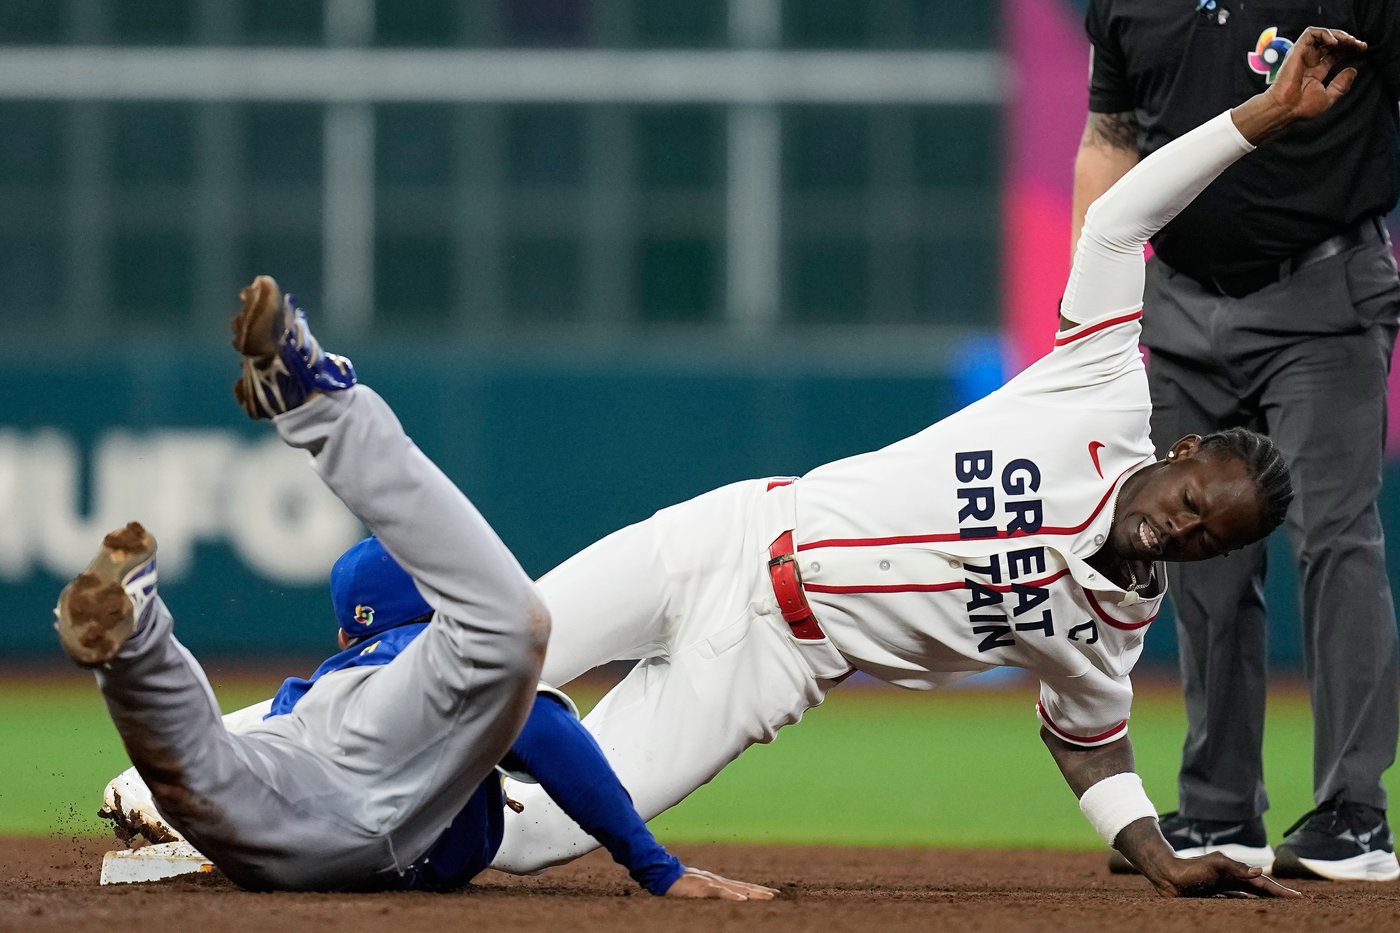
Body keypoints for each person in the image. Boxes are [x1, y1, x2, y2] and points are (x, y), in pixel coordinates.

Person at [482, 29, 1376, 900]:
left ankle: (399, 838)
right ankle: (349, 755)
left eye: (1204, 534)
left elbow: (1089, 742)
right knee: (496, 660)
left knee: (531, 842)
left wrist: (1159, 857)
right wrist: (1260, 117)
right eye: (1192, 497)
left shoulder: (1109, 632)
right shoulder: (1099, 391)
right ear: (1181, 452)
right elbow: (1115, 223)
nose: (1181, 523)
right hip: (729, 537)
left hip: (771, 667)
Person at [56, 275, 775, 900]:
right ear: (438, 611)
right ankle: (321, 411)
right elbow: (547, 731)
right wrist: (655, 866)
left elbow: (194, 772)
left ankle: (137, 639)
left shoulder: (322, 681)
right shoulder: (442, 671)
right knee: (517, 627)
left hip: (272, 780)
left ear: (345, 633)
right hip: (360, 829)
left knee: (196, 770)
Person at [1072, 2, 1400, 882]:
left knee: (1335, 538)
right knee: (1197, 548)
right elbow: (1109, 138)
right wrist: (1085, 312)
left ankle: (1354, 812)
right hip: (1178, 298)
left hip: (1324, 294)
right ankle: (1220, 810)